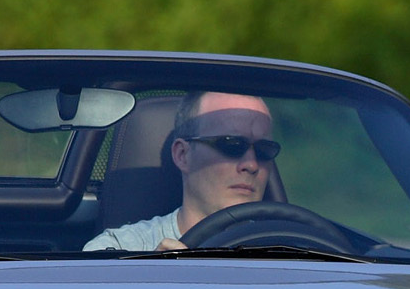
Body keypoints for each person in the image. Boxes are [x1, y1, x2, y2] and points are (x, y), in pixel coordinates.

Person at [85, 92, 278, 251]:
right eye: (232, 145)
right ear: (183, 155)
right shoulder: (118, 249)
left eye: (264, 150)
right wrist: (149, 276)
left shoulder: (292, 249)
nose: (251, 165)